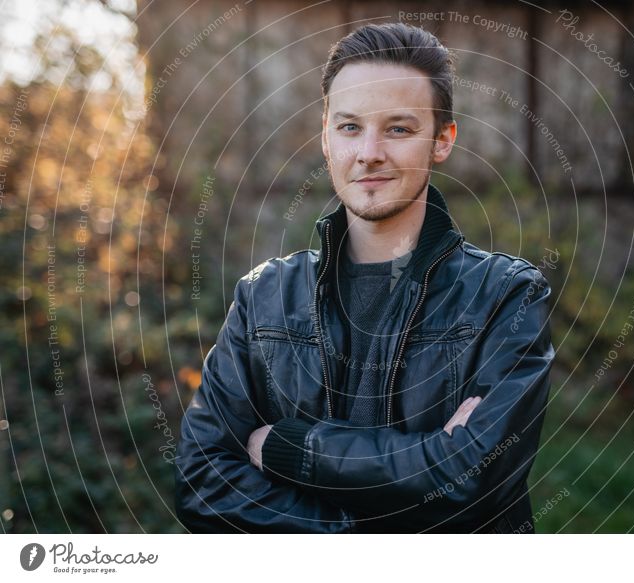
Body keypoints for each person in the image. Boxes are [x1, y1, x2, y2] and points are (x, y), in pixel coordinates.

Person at [175, 22, 554, 533]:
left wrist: (294, 450)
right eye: (350, 127)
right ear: (327, 137)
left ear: (442, 141)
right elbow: (202, 481)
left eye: (398, 129)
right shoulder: (263, 296)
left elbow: (473, 480)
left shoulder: (505, 295)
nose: (369, 151)